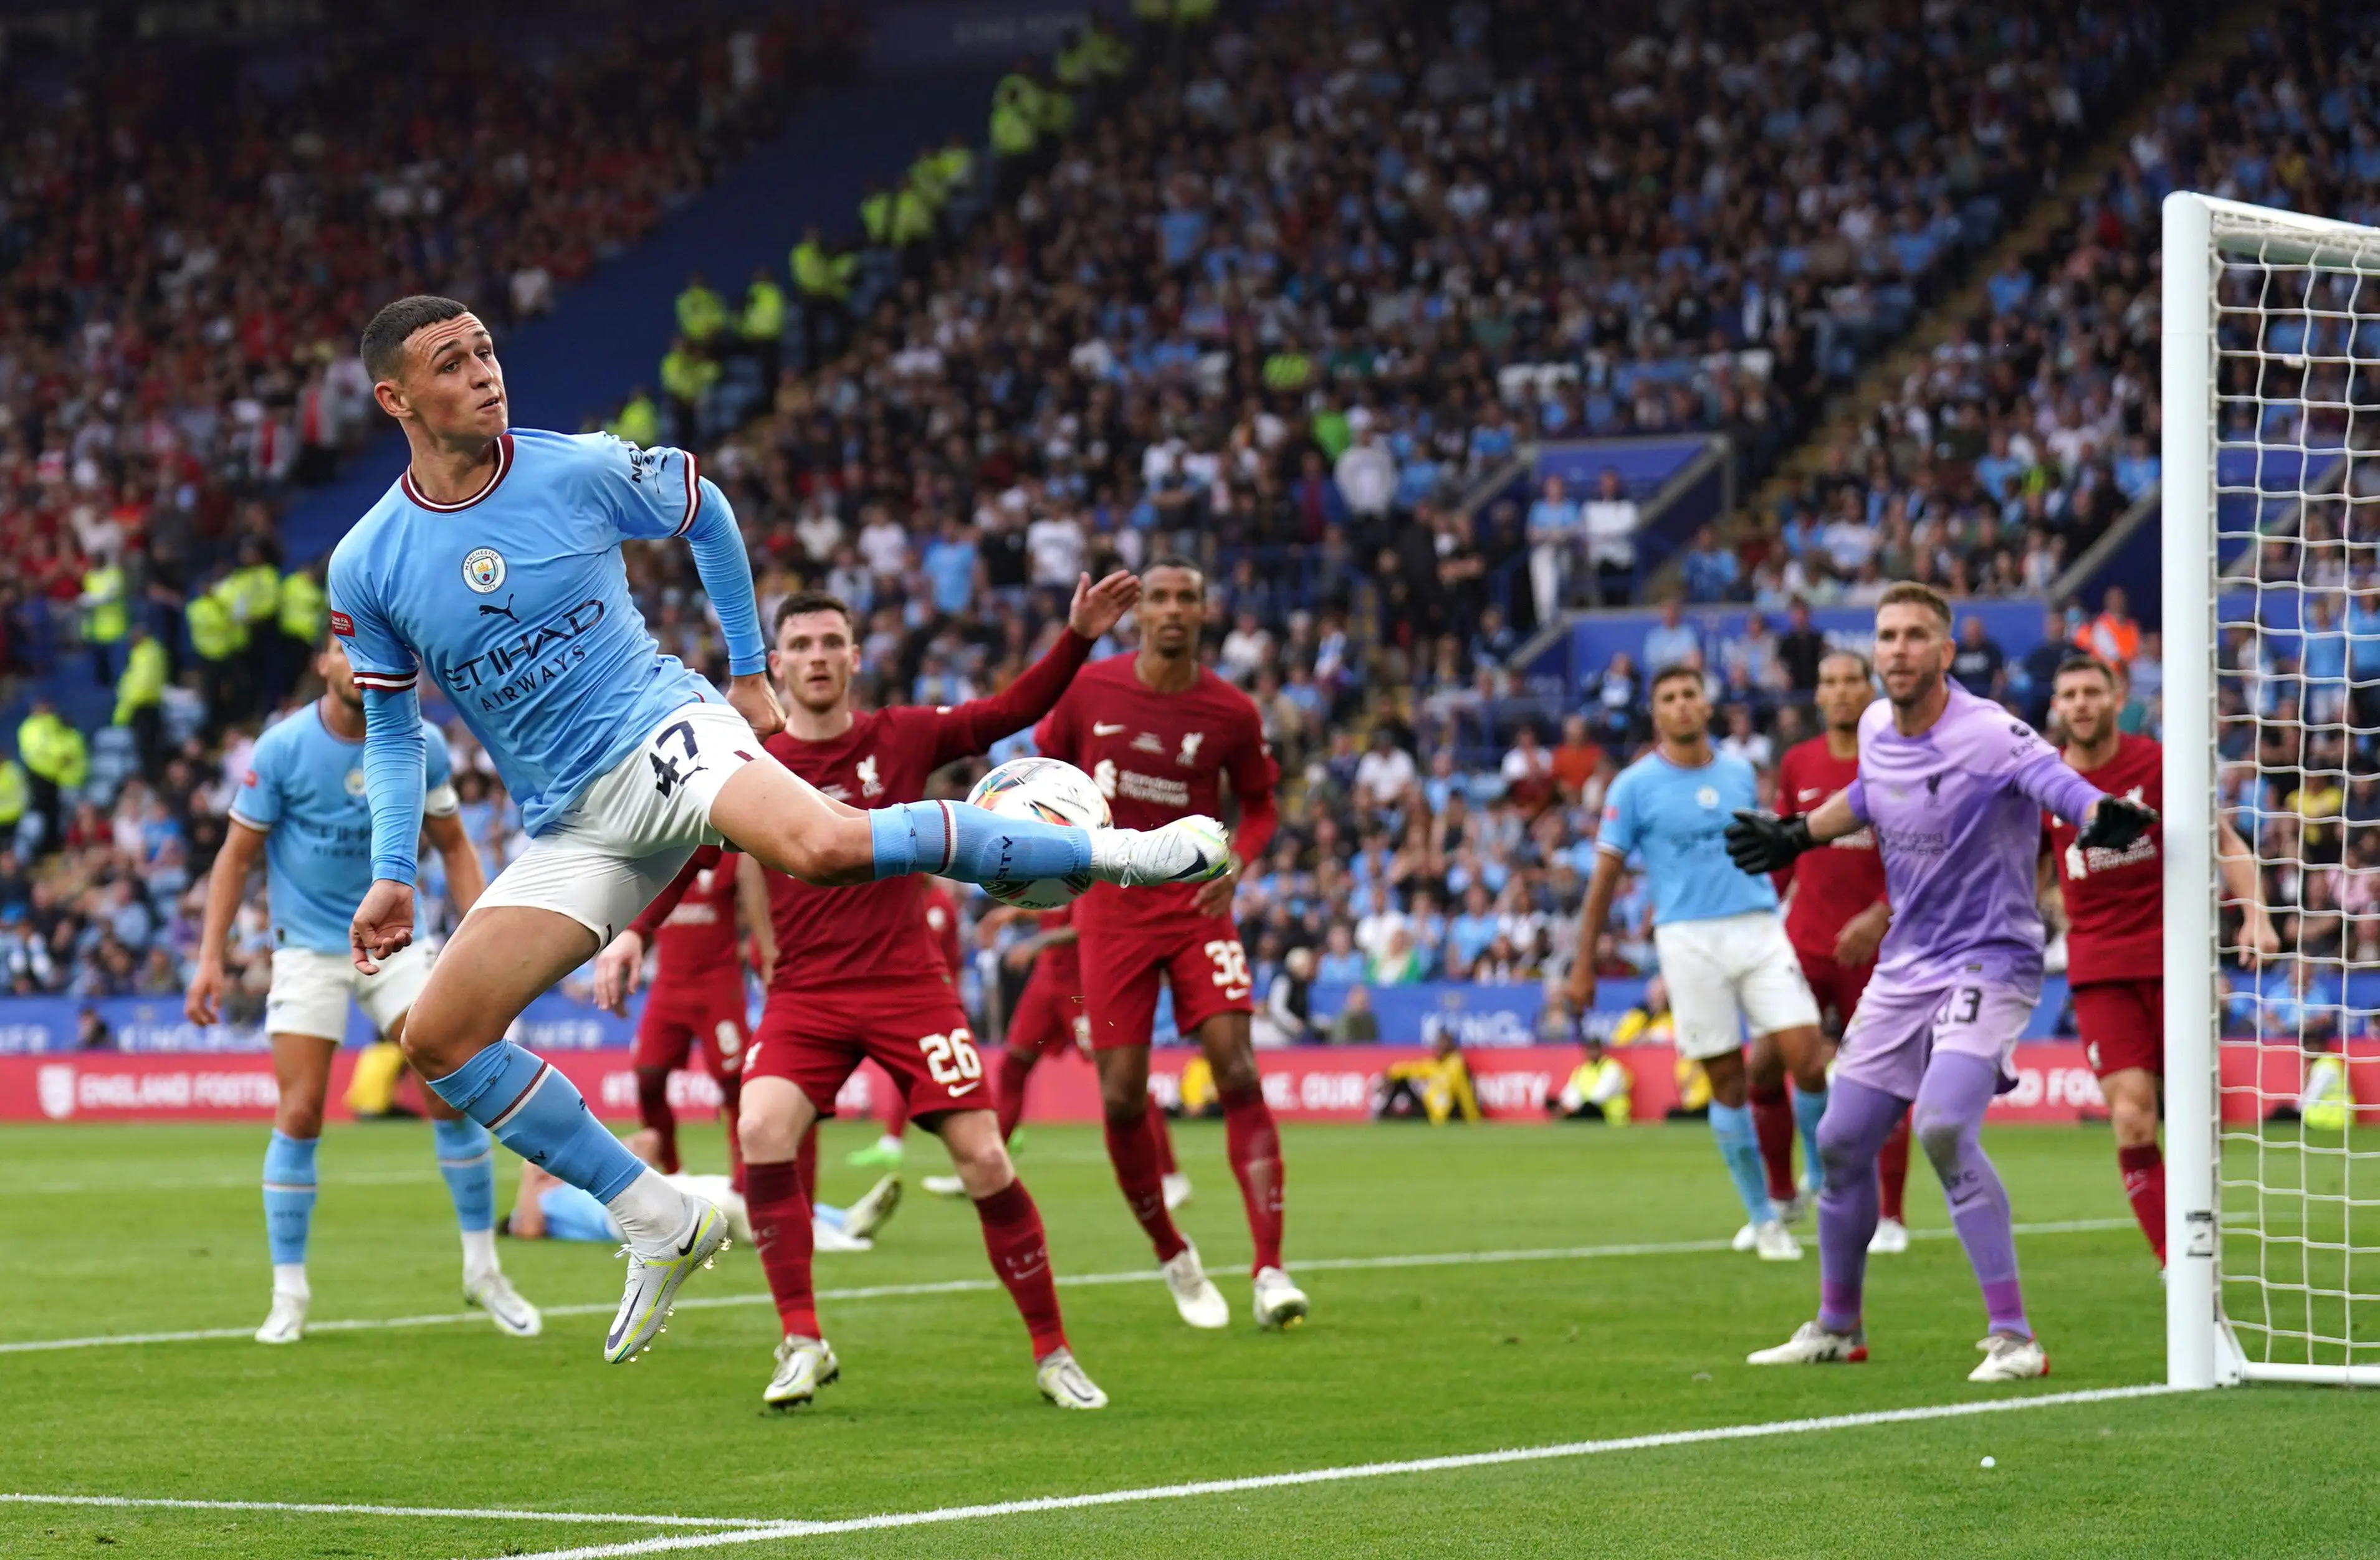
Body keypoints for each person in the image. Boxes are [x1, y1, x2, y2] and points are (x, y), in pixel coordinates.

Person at [327, 296, 1228, 1368]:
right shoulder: (368, 562)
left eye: (485, 348)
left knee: (829, 845)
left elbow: (704, 508)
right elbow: (392, 727)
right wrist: (393, 875)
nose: (485, 371)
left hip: (664, 728)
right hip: (574, 821)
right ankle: (655, 1212)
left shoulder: (575, 467)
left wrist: (747, 668)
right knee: (436, 1038)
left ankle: (1118, 852)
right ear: (395, 399)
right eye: (451, 361)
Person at [595, 576, 1143, 1410]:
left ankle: (1052, 1351)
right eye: (801, 647)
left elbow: (1000, 714)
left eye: (830, 644)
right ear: (773, 664)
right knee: (761, 1128)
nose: (816, 659)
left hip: (906, 987)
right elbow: (695, 857)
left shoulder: (904, 736)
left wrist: (1074, 638)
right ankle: (800, 1340)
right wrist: (633, 930)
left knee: (985, 1157)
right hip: (805, 992)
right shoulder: (752, 763)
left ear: (854, 656)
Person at [1730, 582, 2157, 1381]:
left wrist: (2098, 811)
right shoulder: (1873, 728)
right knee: (1841, 1138)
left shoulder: (1990, 730)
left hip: (1989, 956)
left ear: (1945, 652)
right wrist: (1796, 830)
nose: (1896, 648)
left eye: (1915, 635)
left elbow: (2051, 777)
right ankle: (1836, 1324)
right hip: (1907, 964)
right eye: (1887, 634)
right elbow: (1870, 794)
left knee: (1944, 1124)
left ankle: (2015, 1337)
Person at [183, 635, 534, 1344]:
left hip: (398, 942)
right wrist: (209, 957)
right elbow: (235, 858)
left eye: (367, 653)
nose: (356, 664)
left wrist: (489, 944)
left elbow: (456, 846)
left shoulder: (422, 742)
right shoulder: (282, 749)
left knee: (449, 1083)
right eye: (343, 652)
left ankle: (482, 1267)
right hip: (309, 948)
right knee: (303, 1108)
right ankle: (290, 1292)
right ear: (323, 665)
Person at [1035, 557, 1309, 1331]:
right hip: (1111, 913)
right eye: (1159, 598)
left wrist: (1240, 863)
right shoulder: (1092, 688)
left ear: (1205, 610)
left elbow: (1258, 806)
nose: (1173, 610)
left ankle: (1270, 1268)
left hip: (1195, 908)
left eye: (1187, 596)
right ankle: (1173, 1252)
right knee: (1121, 1094)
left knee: (1238, 1066)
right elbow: (1044, 766)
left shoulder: (1230, 710)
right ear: (1140, 612)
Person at [1564, 663, 1831, 1261]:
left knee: (1806, 1056)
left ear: (1706, 707)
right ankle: (1763, 1218)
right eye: (1669, 698)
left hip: (1758, 927)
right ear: (1656, 714)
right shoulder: (1633, 787)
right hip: (1687, 939)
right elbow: (1605, 876)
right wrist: (1582, 964)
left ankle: (1819, 1177)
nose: (1682, 705)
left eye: (1691, 695)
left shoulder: (1739, 773)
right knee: (1727, 1081)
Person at [2041, 654, 2275, 1265]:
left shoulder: (2160, 763)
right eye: (2070, 694)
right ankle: (2180, 1261)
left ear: (2117, 697)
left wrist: (2257, 915)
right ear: (2057, 706)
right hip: (2099, 972)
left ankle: (2203, 1230)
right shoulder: (2044, 785)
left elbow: (2227, 842)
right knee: (2133, 1116)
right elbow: (2029, 875)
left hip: (2178, 961)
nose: (2082, 703)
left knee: (2198, 1115)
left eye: (2093, 691)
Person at [1766, 650, 1913, 1256]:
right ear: (1818, 696)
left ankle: (1893, 1214)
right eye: (1830, 682)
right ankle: (1781, 1195)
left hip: (1877, 948)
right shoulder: (1797, 761)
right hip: (1804, 944)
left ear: (1871, 689)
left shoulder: (1896, 759)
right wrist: (1759, 920)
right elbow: (1779, 848)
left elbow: (1916, 850)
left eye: (1853, 679)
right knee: (1769, 1064)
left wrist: (1880, 910)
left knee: (1887, 1078)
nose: (1842, 691)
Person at [921, 903, 1192, 1207]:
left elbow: (1090, 923)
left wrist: (1039, 941)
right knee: (1012, 1069)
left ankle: (1171, 1177)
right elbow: (1057, 908)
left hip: (1081, 988)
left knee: (1123, 1078)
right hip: (1046, 984)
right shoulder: (1056, 865)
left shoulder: (1094, 863)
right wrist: (1015, 912)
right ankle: (986, 1167)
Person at [505, 1129, 901, 1255]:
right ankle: (827, 1235)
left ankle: (837, 1220)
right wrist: (530, 1174)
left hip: (642, 1196)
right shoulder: (545, 1203)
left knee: (733, 1193)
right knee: (727, 1199)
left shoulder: (587, 1176)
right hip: (624, 1215)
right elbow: (528, 1229)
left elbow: (650, 1140)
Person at [631, 850, 775, 1186]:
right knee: (648, 1079)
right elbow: (646, 918)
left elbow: (757, 908)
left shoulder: (731, 854)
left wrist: (765, 956)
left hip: (718, 988)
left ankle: (746, 1182)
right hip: (668, 987)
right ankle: (673, 1174)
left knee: (734, 1085)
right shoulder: (659, 853)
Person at [1551, 1032, 1632, 1124]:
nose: (1591, 1053)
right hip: (1586, 1111)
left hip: (1611, 1118)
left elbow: (1600, 1096)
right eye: (1589, 1049)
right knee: (1561, 1109)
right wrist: (1565, 1107)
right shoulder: (1582, 1070)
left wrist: (1575, 1106)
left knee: (1588, 1107)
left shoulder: (1612, 1068)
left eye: (1594, 1049)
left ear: (1601, 1050)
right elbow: (1571, 1092)